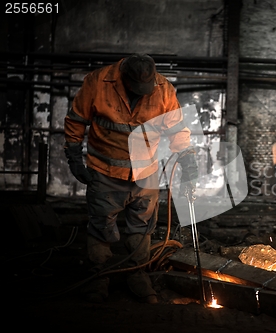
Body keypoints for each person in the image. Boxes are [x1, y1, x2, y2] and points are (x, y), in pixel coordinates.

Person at [63, 53, 198, 304]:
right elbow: (76, 120)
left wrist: (188, 163)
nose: (142, 93)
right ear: (123, 78)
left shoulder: (163, 89)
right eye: (137, 88)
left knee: (142, 228)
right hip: (105, 172)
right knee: (102, 226)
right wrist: (73, 158)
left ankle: (136, 274)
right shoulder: (97, 82)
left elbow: (177, 130)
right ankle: (99, 276)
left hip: (145, 175)